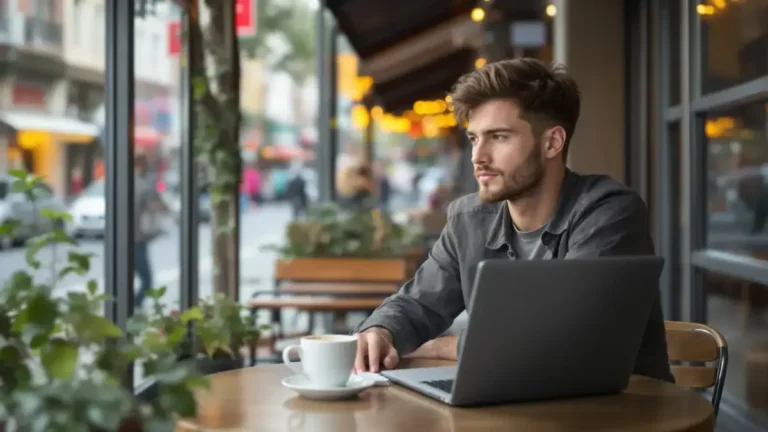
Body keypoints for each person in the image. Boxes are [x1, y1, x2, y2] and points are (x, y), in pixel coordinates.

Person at [353, 58, 674, 383]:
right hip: (513, 405)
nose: (478, 156)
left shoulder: (609, 212)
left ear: (552, 142)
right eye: (475, 138)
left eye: (499, 137)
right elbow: (417, 303)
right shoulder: (468, 219)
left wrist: (442, 347)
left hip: (618, 414)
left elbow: (567, 337)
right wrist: (382, 330)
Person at [134, 154, 169, 308]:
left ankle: (129, 306)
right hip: (138, 239)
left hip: (121, 240)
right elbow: (157, 206)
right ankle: (135, 304)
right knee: (147, 280)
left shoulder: (120, 183)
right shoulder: (143, 186)